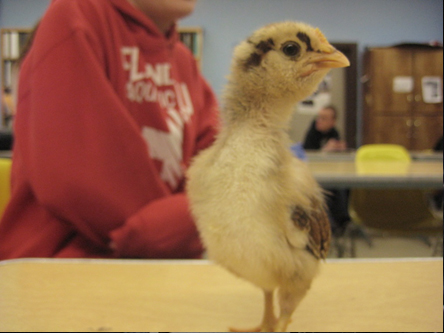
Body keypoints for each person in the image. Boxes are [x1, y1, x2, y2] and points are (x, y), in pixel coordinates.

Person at [0, 0, 219, 259]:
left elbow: (227, 179)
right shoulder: (76, 17)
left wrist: (177, 225)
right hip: (59, 272)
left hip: (157, 268)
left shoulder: (184, 62)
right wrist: (181, 225)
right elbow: (78, 180)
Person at [303, 106, 350, 237]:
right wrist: (324, 151)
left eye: (324, 118)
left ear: (332, 122)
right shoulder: (312, 132)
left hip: (331, 173)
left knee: (342, 187)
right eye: (318, 117)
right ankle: (329, 225)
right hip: (313, 176)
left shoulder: (334, 132)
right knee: (323, 192)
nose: (319, 120)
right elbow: (307, 155)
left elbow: (337, 160)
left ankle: (343, 221)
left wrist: (340, 149)